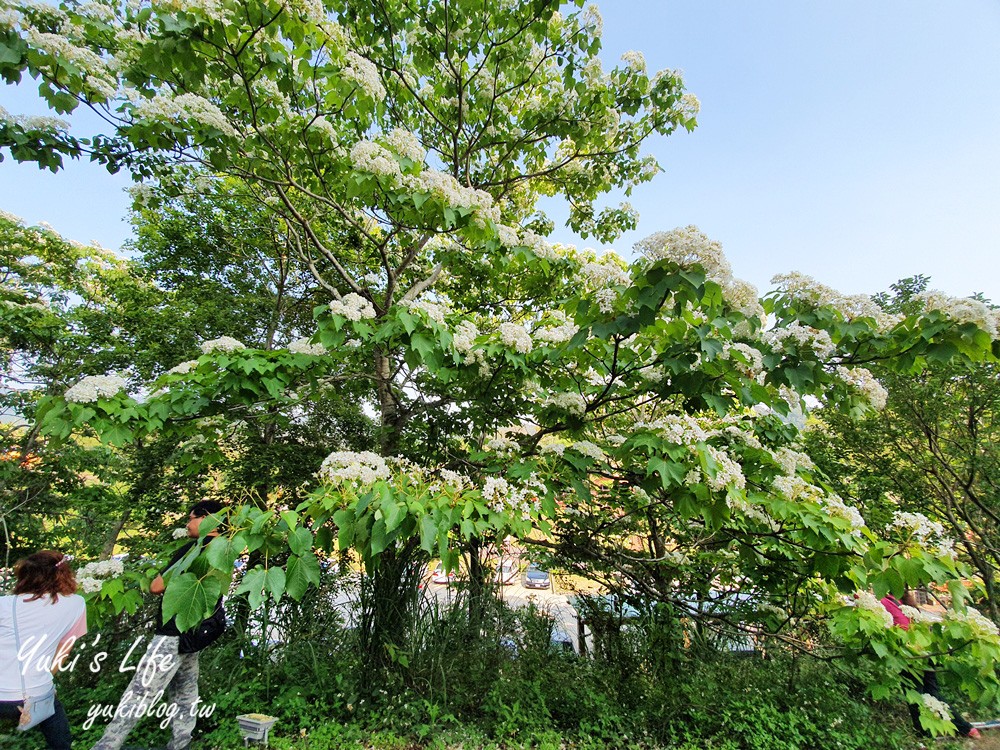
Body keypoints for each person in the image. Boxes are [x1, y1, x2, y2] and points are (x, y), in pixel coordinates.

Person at [92, 500, 226, 750]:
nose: (187, 524)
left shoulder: (194, 549)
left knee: (140, 693)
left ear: (208, 519)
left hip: (171, 635)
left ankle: (106, 746)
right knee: (185, 693)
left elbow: (157, 586)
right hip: (195, 634)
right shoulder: (225, 550)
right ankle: (181, 743)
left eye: (191, 518)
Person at [1, 551, 88, 750]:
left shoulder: (4, 605)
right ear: (63, 573)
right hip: (35, 695)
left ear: (25, 575)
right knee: (60, 742)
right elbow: (64, 651)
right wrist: (45, 679)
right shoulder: (76, 604)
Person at [881, 591, 981, 740]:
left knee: (914, 697)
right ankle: (966, 729)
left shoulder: (885, 602)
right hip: (925, 653)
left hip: (910, 657)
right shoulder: (903, 602)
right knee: (932, 694)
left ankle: (924, 737)